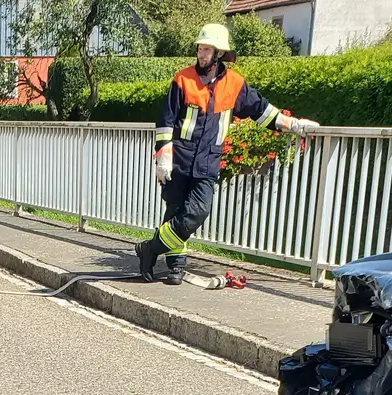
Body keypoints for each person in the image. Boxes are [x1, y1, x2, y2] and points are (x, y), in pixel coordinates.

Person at [135, 23, 320, 285]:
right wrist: (163, 156)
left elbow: (262, 111)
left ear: (219, 53)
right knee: (176, 210)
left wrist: (293, 124)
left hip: (207, 162)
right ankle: (175, 265)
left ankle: (150, 248)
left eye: (207, 49)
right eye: (200, 48)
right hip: (179, 159)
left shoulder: (234, 84)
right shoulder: (182, 79)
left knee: (197, 211)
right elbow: (166, 121)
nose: (201, 54)